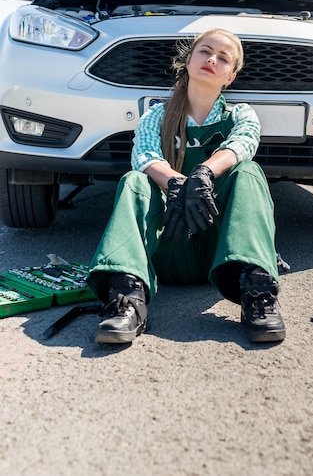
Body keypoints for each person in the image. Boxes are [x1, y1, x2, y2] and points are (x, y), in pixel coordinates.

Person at [87, 28, 286, 345]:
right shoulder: (157, 115)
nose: (212, 59)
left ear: (230, 77)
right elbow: (144, 156)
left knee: (249, 171)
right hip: (170, 243)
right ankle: (126, 298)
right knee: (134, 181)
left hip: (223, 253)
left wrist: (204, 174)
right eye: (205, 51)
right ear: (189, 59)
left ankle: (257, 291)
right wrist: (177, 184)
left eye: (223, 58)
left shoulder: (240, 115)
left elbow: (242, 145)